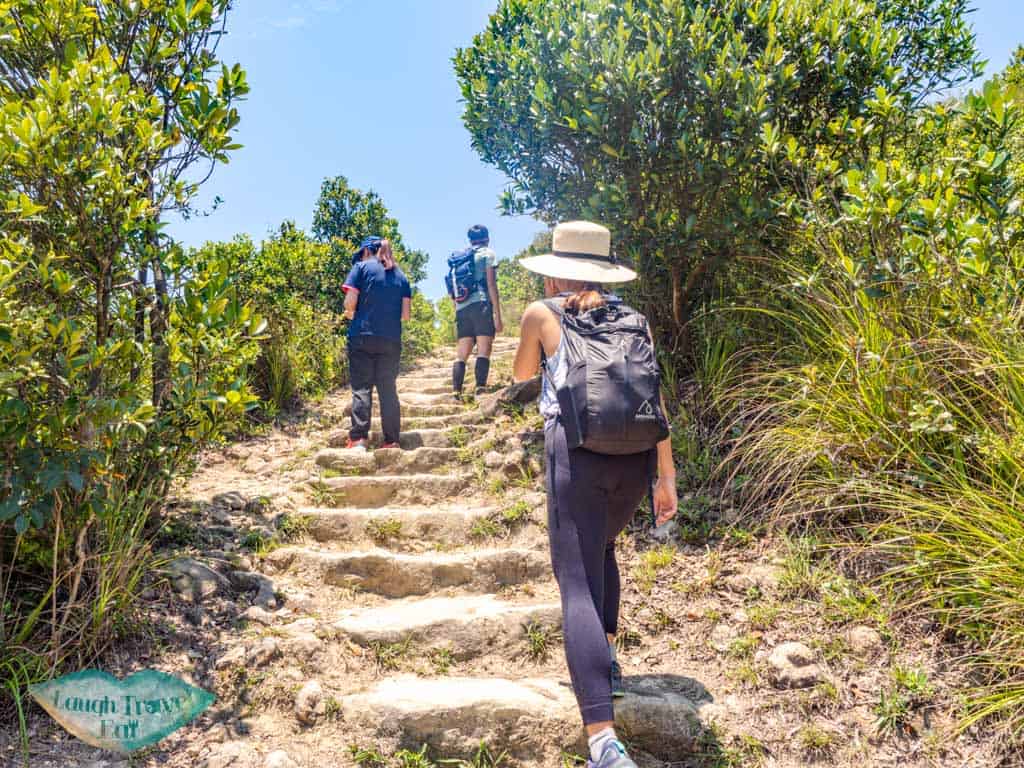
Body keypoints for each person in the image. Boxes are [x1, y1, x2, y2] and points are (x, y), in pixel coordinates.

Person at [512, 221, 678, 768]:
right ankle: (606, 662)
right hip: (633, 462)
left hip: (576, 454)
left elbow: (520, 375)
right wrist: (666, 476)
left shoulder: (544, 313)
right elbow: (655, 397)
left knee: (575, 583)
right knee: (603, 549)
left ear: (557, 270)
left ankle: (603, 742)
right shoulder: (635, 320)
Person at [342, 236, 412, 451]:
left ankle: (359, 439)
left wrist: (349, 312)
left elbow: (350, 303)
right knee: (387, 389)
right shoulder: (401, 277)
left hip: (362, 335)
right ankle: (391, 441)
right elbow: (406, 315)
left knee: (362, 387)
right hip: (391, 339)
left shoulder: (360, 268)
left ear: (365, 251)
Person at [451, 224, 503, 399]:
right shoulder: (488, 254)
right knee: (483, 349)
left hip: (461, 307)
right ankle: (480, 388)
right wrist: (497, 314)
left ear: (470, 240)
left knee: (462, 352)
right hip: (480, 304)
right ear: (487, 238)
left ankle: (456, 391)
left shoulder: (459, 258)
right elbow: (491, 285)